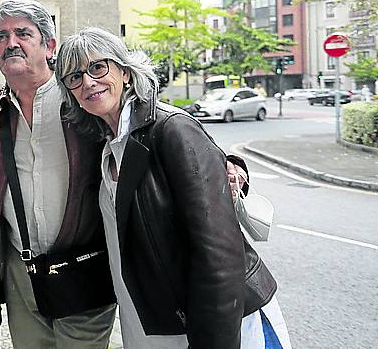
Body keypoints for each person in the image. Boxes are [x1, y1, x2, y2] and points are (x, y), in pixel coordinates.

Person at [56, 27, 290, 348]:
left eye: (98, 67)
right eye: (74, 77)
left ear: (124, 72)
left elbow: (220, 253)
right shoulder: (106, 144)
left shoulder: (171, 128)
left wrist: (213, 341)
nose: (87, 82)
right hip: (151, 321)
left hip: (216, 323)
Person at [0, 0, 117, 348]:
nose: (11, 42)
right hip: (21, 273)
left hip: (83, 268)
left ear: (50, 45)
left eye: (23, 33)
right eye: (1, 36)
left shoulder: (84, 101)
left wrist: (226, 161)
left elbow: (146, 122)